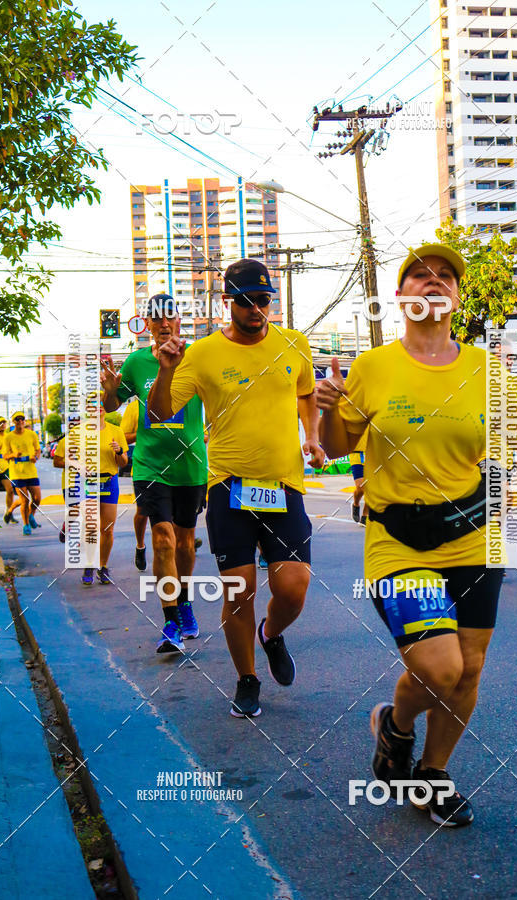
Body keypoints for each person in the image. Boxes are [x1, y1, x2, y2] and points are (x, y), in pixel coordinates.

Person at [317, 242, 517, 827]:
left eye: (445, 276)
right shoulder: (373, 367)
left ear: (456, 295)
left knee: (469, 668)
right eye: (420, 275)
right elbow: (336, 446)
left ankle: (433, 774)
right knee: (440, 667)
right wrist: (328, 407)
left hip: (474, 533)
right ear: (401, 296)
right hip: (398, 540)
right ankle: (394, 724)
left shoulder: (486, 369)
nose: (433, 282)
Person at [147, 258, 325, 717]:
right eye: (246, 301)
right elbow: (160, 412)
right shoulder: (202, 353)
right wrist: (166, 370)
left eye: (263, 300)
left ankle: (271, 634)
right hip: (228, 487)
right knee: (239, 589)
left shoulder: (295, 344)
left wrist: (312, 436)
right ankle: (247, 679)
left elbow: (307, 393)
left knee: (294, 586)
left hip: (284, 484)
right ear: (228, 302)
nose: (255, 309)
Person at [101, 294, 208, 653]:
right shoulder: (136, 362)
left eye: (169, 316)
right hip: (149, 465)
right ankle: (170, 620)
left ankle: (185, 600)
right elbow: (113, 404)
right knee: (162, 538)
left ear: (179, 320)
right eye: (156, 318)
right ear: (146, 324)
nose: (164, 323)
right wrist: (109, 393)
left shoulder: (198, 357)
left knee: (185, 542)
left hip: (190, 464)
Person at [55, 393, 128, 586]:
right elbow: (62, 458)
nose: (98, 406)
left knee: (107, 529)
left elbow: (123, 462)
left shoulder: (116, 431)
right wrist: (77, 465)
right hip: (87, 483)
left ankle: (103, 567)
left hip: (109, 481)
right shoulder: (77, 432)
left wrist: (119, 451)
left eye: (101, 403)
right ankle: (89, 564)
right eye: (93, 403)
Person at [120, 397, 149, 571]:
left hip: (174, 466)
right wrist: (144, 432)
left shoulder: (178, 398)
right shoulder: (135, 406)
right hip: (144, 467)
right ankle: (140, 545)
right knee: (143, 511)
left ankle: (182, 541)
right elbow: (123, 437)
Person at [2, 411, 41, 535]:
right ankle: (26, 525)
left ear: (24, 420)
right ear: (13, 422)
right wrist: (14, 455)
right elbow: (4, 455)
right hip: (17, 472)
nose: (20, 421)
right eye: (17, 419)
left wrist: (36, 457)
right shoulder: (8, 437)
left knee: (37, 499)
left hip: (31, 471)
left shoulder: (32, 434)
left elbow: (38, 449)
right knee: (24, 500)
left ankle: (29, 515)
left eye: (22, 419)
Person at [0, 417, 21, 524]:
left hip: (5, 468)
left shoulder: (7, 436)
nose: (3, 425)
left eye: (4, 423)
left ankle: (9, 513)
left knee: (10, 490)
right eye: (0, 423)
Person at [349, 431, 367, 525]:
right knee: (360, 486)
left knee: (371, 488)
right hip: (357, 454)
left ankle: (365, 516)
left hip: (372, 454)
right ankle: (356, 503)